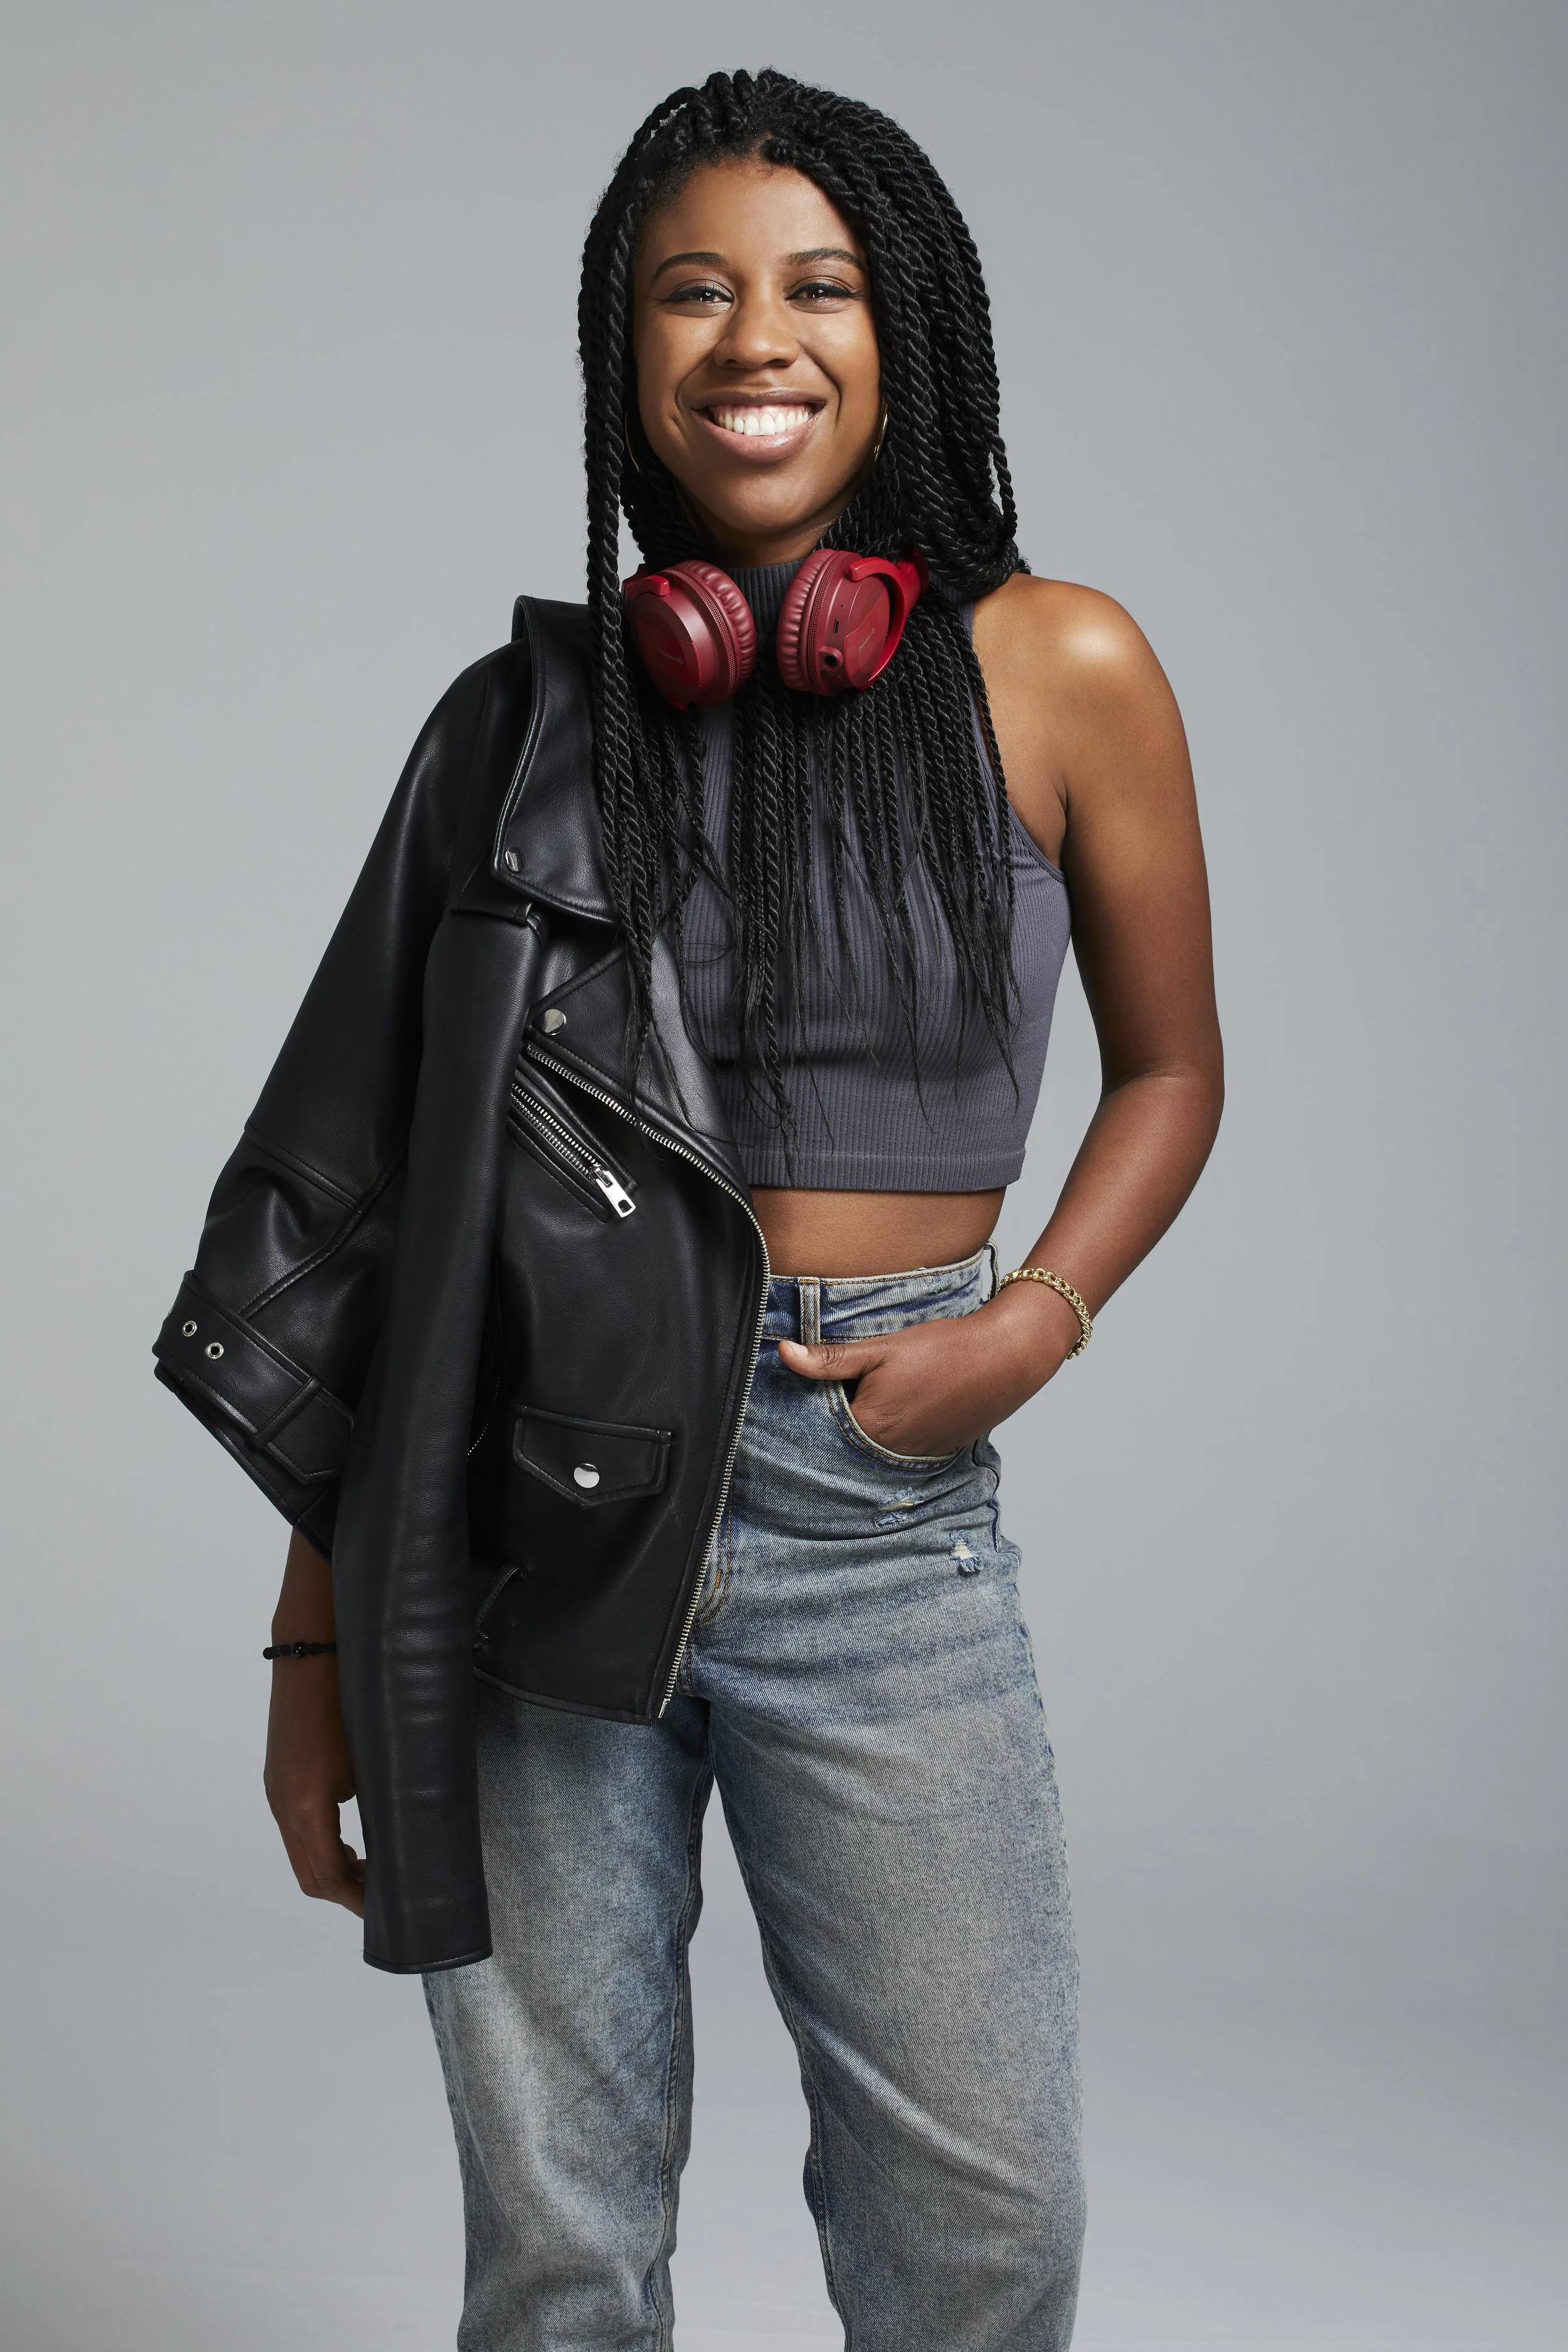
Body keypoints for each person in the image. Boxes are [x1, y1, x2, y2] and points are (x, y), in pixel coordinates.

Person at [154, 68, 1222, 2352]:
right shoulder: (514, 728)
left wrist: (1031, 1319)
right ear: (621, 354)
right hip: (524, 1504)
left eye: (818, 285)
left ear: (901, 330)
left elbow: (1172, 1067)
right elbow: (385, 1245)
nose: (758, 335)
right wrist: (320, 1645)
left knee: (977, 2228)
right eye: (694, 290)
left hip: (880, 1499)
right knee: (560, 2248)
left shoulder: (1063, 668)